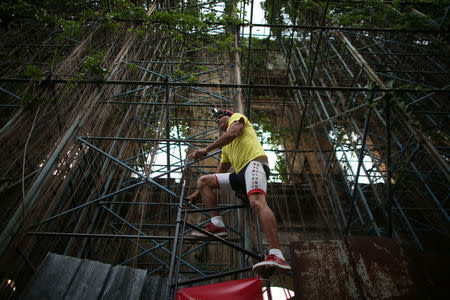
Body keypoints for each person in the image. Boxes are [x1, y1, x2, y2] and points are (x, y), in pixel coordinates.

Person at [187, 108, 291, 275]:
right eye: (216, 119)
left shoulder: (238, 118)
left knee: (257, 202)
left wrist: (206, 150)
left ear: (230, 116)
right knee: (204, 181)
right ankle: (218, 224)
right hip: (241, 174)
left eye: (221, 117)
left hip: (255, 165)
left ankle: (277, 254)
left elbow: (232, 133)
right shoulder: (226, 148)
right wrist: (199, 192)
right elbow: (220, 171)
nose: (218, 120)